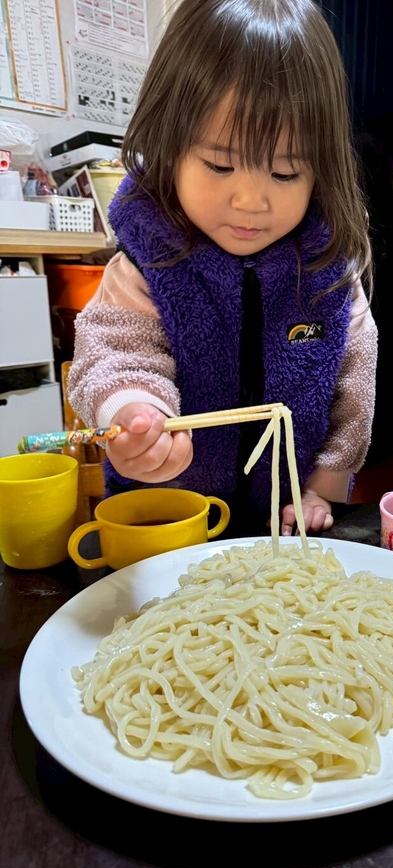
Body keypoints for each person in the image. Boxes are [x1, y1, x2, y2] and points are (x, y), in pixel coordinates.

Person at [68, 0, 376, 537]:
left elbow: (354, 385)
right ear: (169, 145)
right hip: (166, 520)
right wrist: (135, 413)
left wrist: (323, 486)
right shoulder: (148, 261)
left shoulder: (328, 275)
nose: (251, 200)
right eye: (219, 164)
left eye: (285, 172)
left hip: (283, 527)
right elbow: (116, 351)